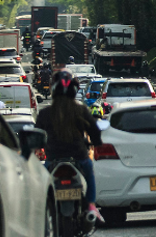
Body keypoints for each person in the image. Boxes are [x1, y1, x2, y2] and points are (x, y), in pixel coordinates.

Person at [34, 70, 106, 223]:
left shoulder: (45, 113)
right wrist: (97, 143)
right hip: (79, 156)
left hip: (53, 158)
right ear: (75, 90)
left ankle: (44, 210)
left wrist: (36, 147)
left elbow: (36, 135)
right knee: (89, 171)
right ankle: (91, 206)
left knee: (43, 183)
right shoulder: (80, 110)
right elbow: (94, 130)